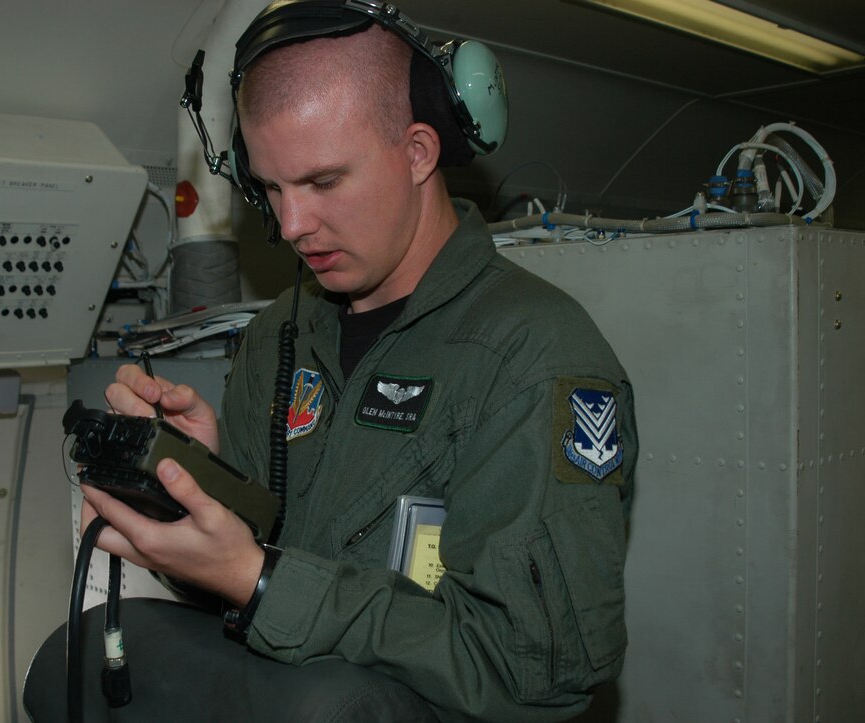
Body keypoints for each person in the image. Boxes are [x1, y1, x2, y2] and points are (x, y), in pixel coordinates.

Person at [80, 2, 637, 721]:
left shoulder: (535, 357)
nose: (291, 226)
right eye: (271, 189)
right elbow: (250, 573)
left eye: (323, 182)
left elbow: (531, 668)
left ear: (418, 152)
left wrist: (261, 580)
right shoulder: (282, 333)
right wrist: (208, 489)